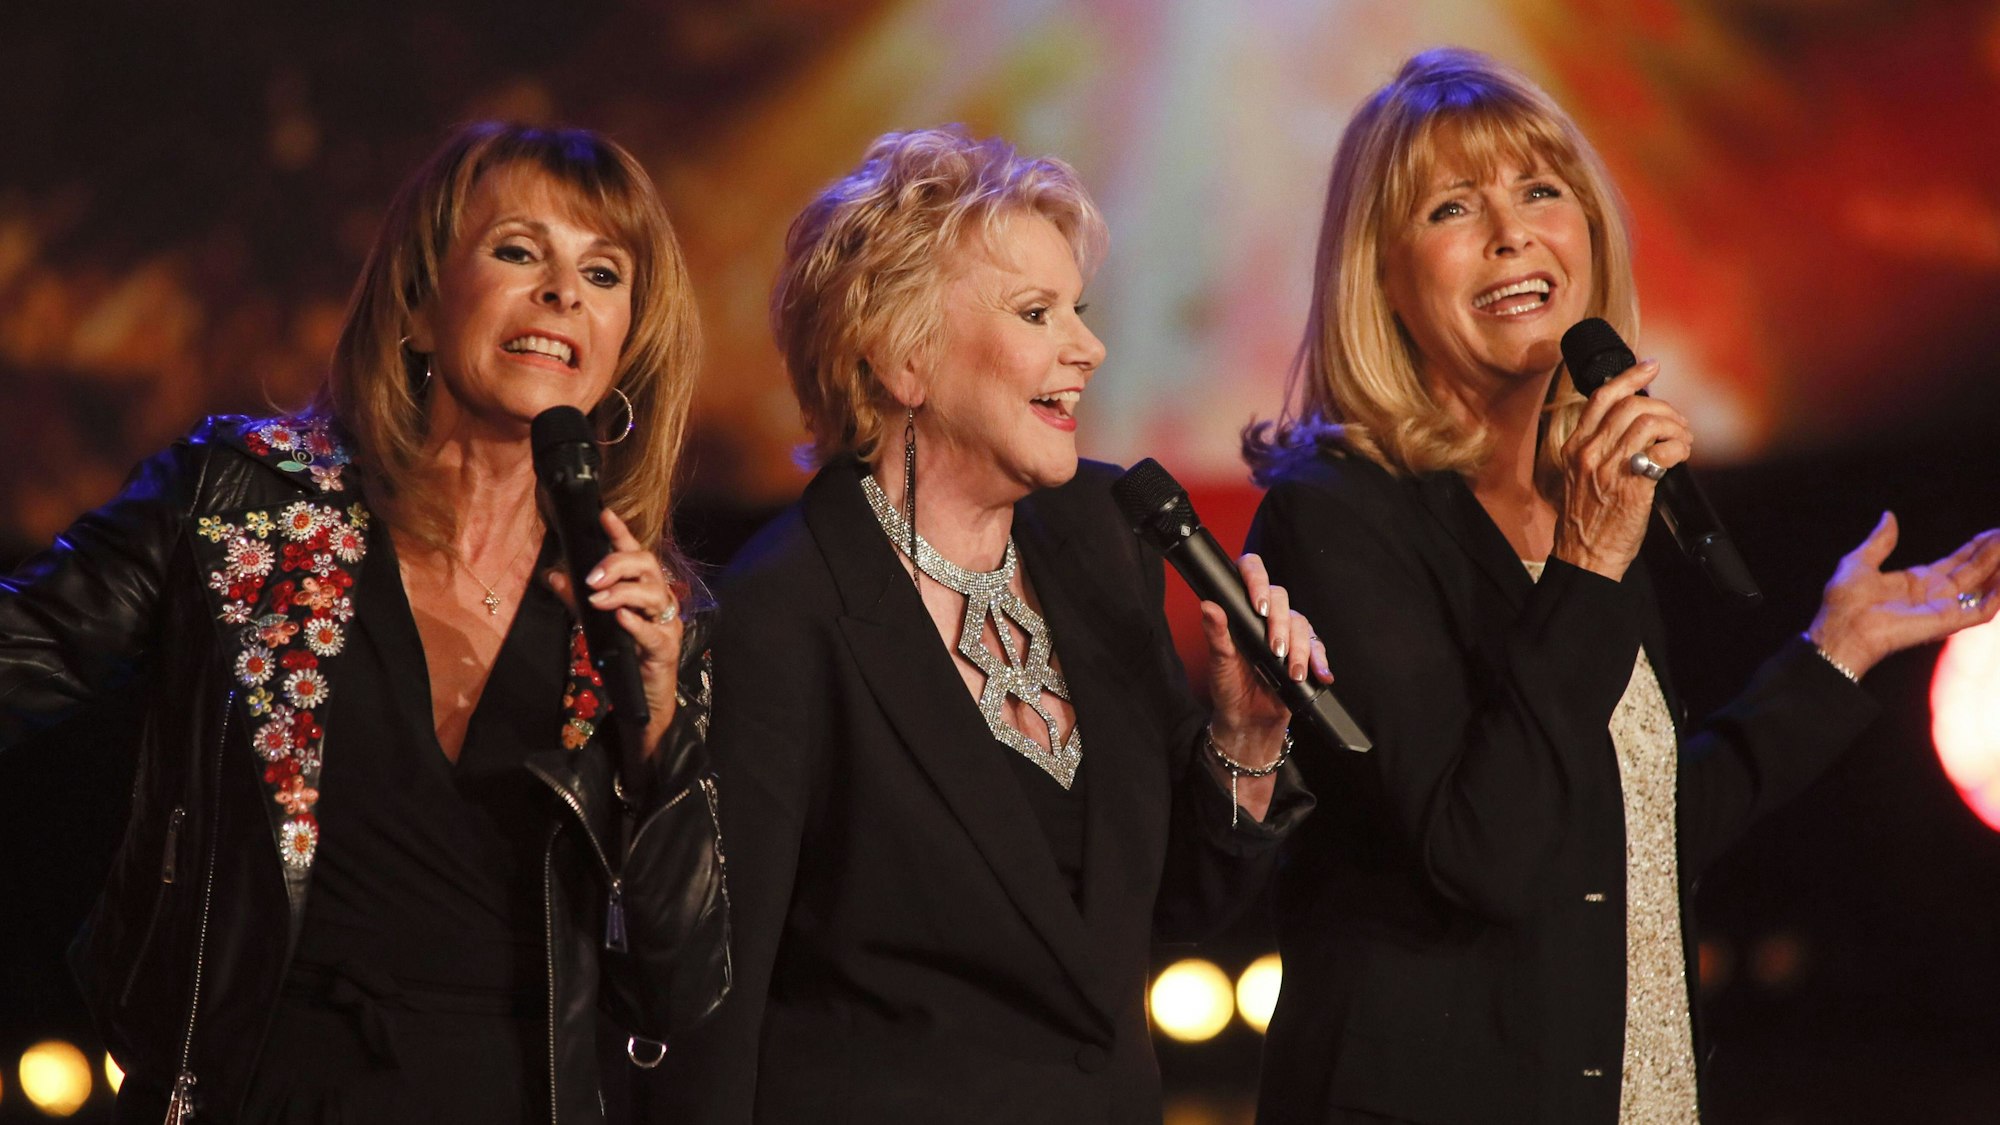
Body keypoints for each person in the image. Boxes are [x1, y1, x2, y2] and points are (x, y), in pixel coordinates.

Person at [1241, 48, 2000, 1125]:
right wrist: (1589, 565)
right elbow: (1484, 850)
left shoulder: (1583, 496)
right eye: (1452, 207)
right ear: (1382, 278)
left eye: (1540, 191)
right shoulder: (1334, 517)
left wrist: (1833, 658)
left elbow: (1621, 838)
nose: (1512, 231)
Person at [0, 122, 730, 1124]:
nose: (563, 292)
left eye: (603, 274)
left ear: (624, 346)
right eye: (519, 251)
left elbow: (678, 986)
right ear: (420, 306)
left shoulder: (642, 617)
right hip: (261, 1092)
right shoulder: (241, 506)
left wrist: (652, 725)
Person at [652, 125, 1323, 1124]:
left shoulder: (1106, 537)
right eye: (1035, 312)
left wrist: (1244, 737)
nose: (1087, 347)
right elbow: (718, 1003)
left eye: (1077, 310)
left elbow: (1167, 911)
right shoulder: (777, 618)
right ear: (900, 358)